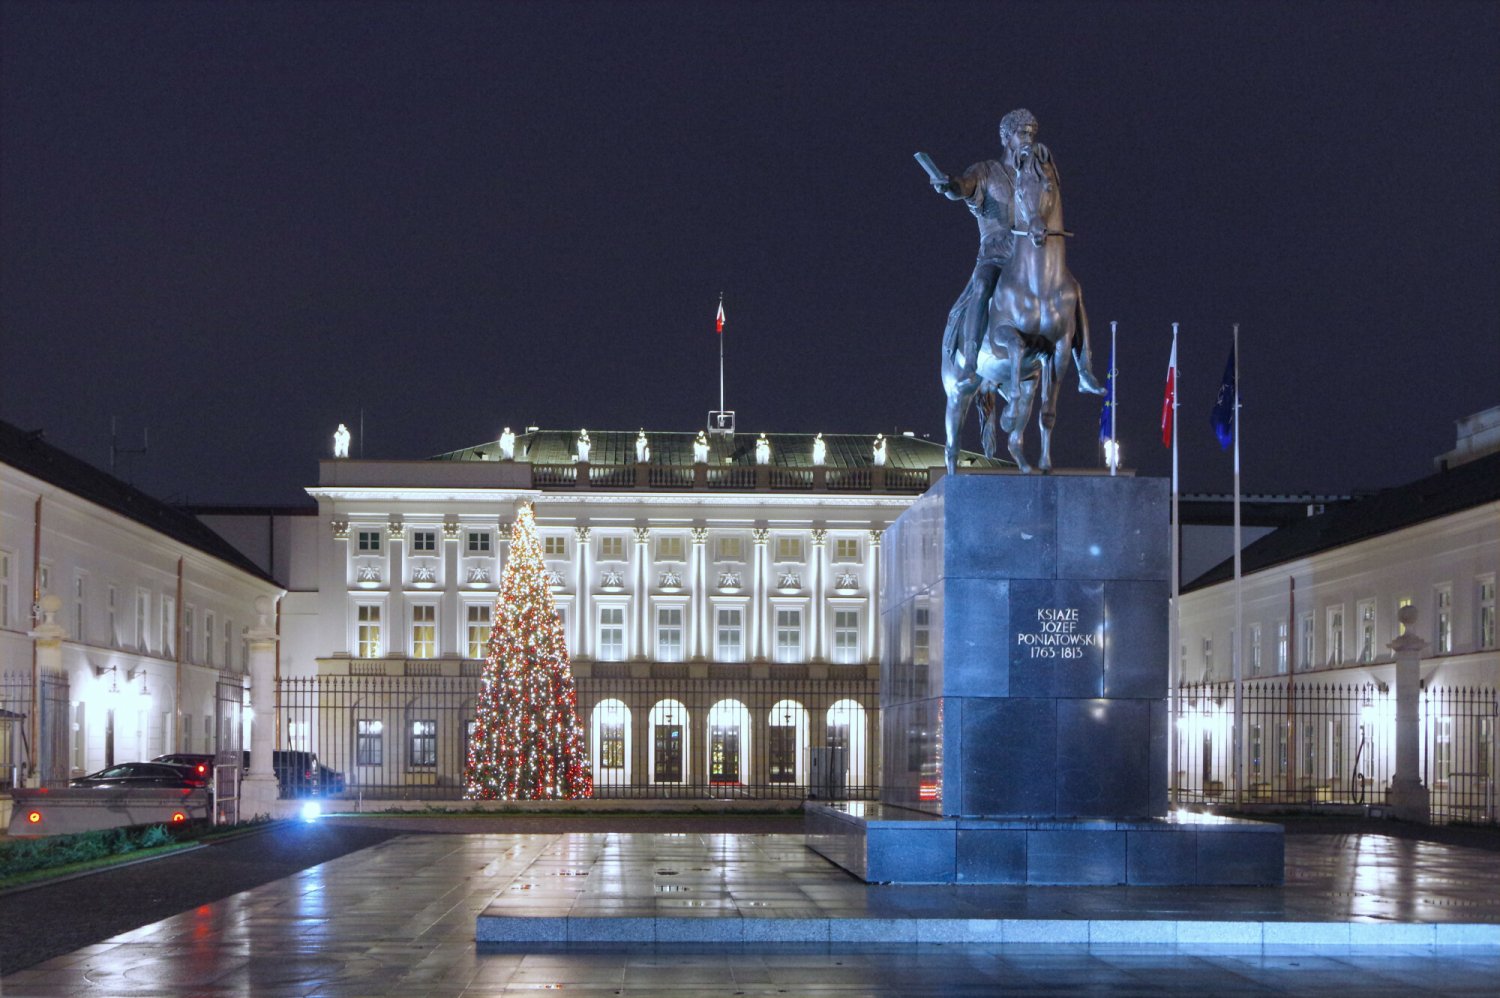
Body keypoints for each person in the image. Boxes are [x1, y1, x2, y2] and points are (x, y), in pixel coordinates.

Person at [931, 109, 1103, 395]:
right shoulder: (986, 171)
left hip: (1031, 259)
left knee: (1073, 290)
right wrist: (950, 185)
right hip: (996, 256)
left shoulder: (1032, 172)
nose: (1028, 139)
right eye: (1022, 133)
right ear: (1006, 137)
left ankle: (1084, 368)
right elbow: (964, 187)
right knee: (982, 284)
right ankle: (970, 360)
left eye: (1031, 134)